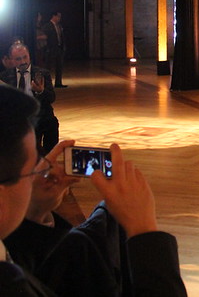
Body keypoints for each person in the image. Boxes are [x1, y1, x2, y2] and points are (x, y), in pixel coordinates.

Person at [0, 86, 187, 297]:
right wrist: (144, 231)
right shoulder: (11, 286)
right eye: (34, 166)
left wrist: (33, 211)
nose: (42, 171)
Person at [1, 43, 58, 154]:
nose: (23, 62)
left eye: (25, 57)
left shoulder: (42, 73)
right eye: (18, 59)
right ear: (11, 60)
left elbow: (52, 98)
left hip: (39, 116)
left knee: (51, 123)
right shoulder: (5, 77)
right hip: (17, 118)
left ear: (29, 56)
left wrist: (40, 91)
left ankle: (49, 160)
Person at [42, 12, 66, 88]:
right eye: (58, 16)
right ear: (54, 16)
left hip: (59, 48)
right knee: (48, 67)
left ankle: (58, 83)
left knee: (59, 66)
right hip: (51, 49)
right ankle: (47, 83)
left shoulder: (59, 26)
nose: (59, 18)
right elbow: (45, 37)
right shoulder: (47, 26)